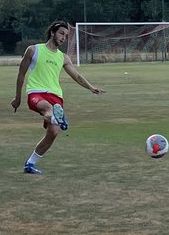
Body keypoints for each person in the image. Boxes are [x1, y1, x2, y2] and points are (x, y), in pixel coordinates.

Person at [11, 21, 104, 174]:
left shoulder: (63, 58)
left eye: (66, 36)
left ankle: (30, 163)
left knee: (53, 133)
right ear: (52, 32)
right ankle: (55, 118)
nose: (63, 38)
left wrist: (91, 87)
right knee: (48, 108)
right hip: (37, 92)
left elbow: (77, 76)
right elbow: (21, 74)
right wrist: (17, 98)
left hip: (56, 97)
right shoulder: (34, 50)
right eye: (61, 33)